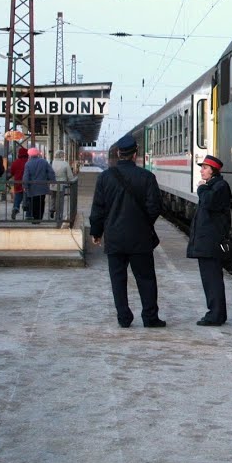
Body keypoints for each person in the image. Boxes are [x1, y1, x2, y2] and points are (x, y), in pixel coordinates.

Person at [88, 134, 166, 328]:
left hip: (114, 238)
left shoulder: (105, 177)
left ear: (118, 153)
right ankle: (150, 318)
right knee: (146, 279)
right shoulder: (147, 177)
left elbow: (98, 208)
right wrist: (144, 223)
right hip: (140, 239)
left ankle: (124, 318)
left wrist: (97, 232)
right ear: (135, 154)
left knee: (117, 279)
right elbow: (155, 207)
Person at [186, 154, 232, 326]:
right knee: (210, 279)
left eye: (205, 167)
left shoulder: (219, 187)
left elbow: (208, 203)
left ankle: (215, 315)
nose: (201, 170)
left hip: (212, 242)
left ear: (213, 171)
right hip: (208, 241)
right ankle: (217, 313)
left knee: (212, 279)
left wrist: (201, 189)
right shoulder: (214, 185)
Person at [22, 147, 55, 224]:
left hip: (32, 187)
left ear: (29, 155)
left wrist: (25, 186)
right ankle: (39, 217)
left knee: (33, 203)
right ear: (37, 154)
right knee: (41, 202)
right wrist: (53, 181)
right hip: (42, 186)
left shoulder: (28, 163)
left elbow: (26, 176)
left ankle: (35, 218)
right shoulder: (44, 162)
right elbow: (51, 172)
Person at [50, 149, 75, 223]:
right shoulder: (65, 164)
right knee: (60, 200)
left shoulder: (52, 163)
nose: (64, 156)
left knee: (53, 198)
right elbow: (70, 175)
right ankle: (58, 215)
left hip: (53, 184)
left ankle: (52, 209)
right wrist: (71, 181)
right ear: (61, 156)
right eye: (63, 155)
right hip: (61, 185)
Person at [8, 148, 29, 220]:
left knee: (17, 198)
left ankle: (15, 208)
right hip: (28, 183)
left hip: (18, 183)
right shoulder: (29, 162)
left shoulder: (15, 162)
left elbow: (12, 172)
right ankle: (28, 215)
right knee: (28, 198)